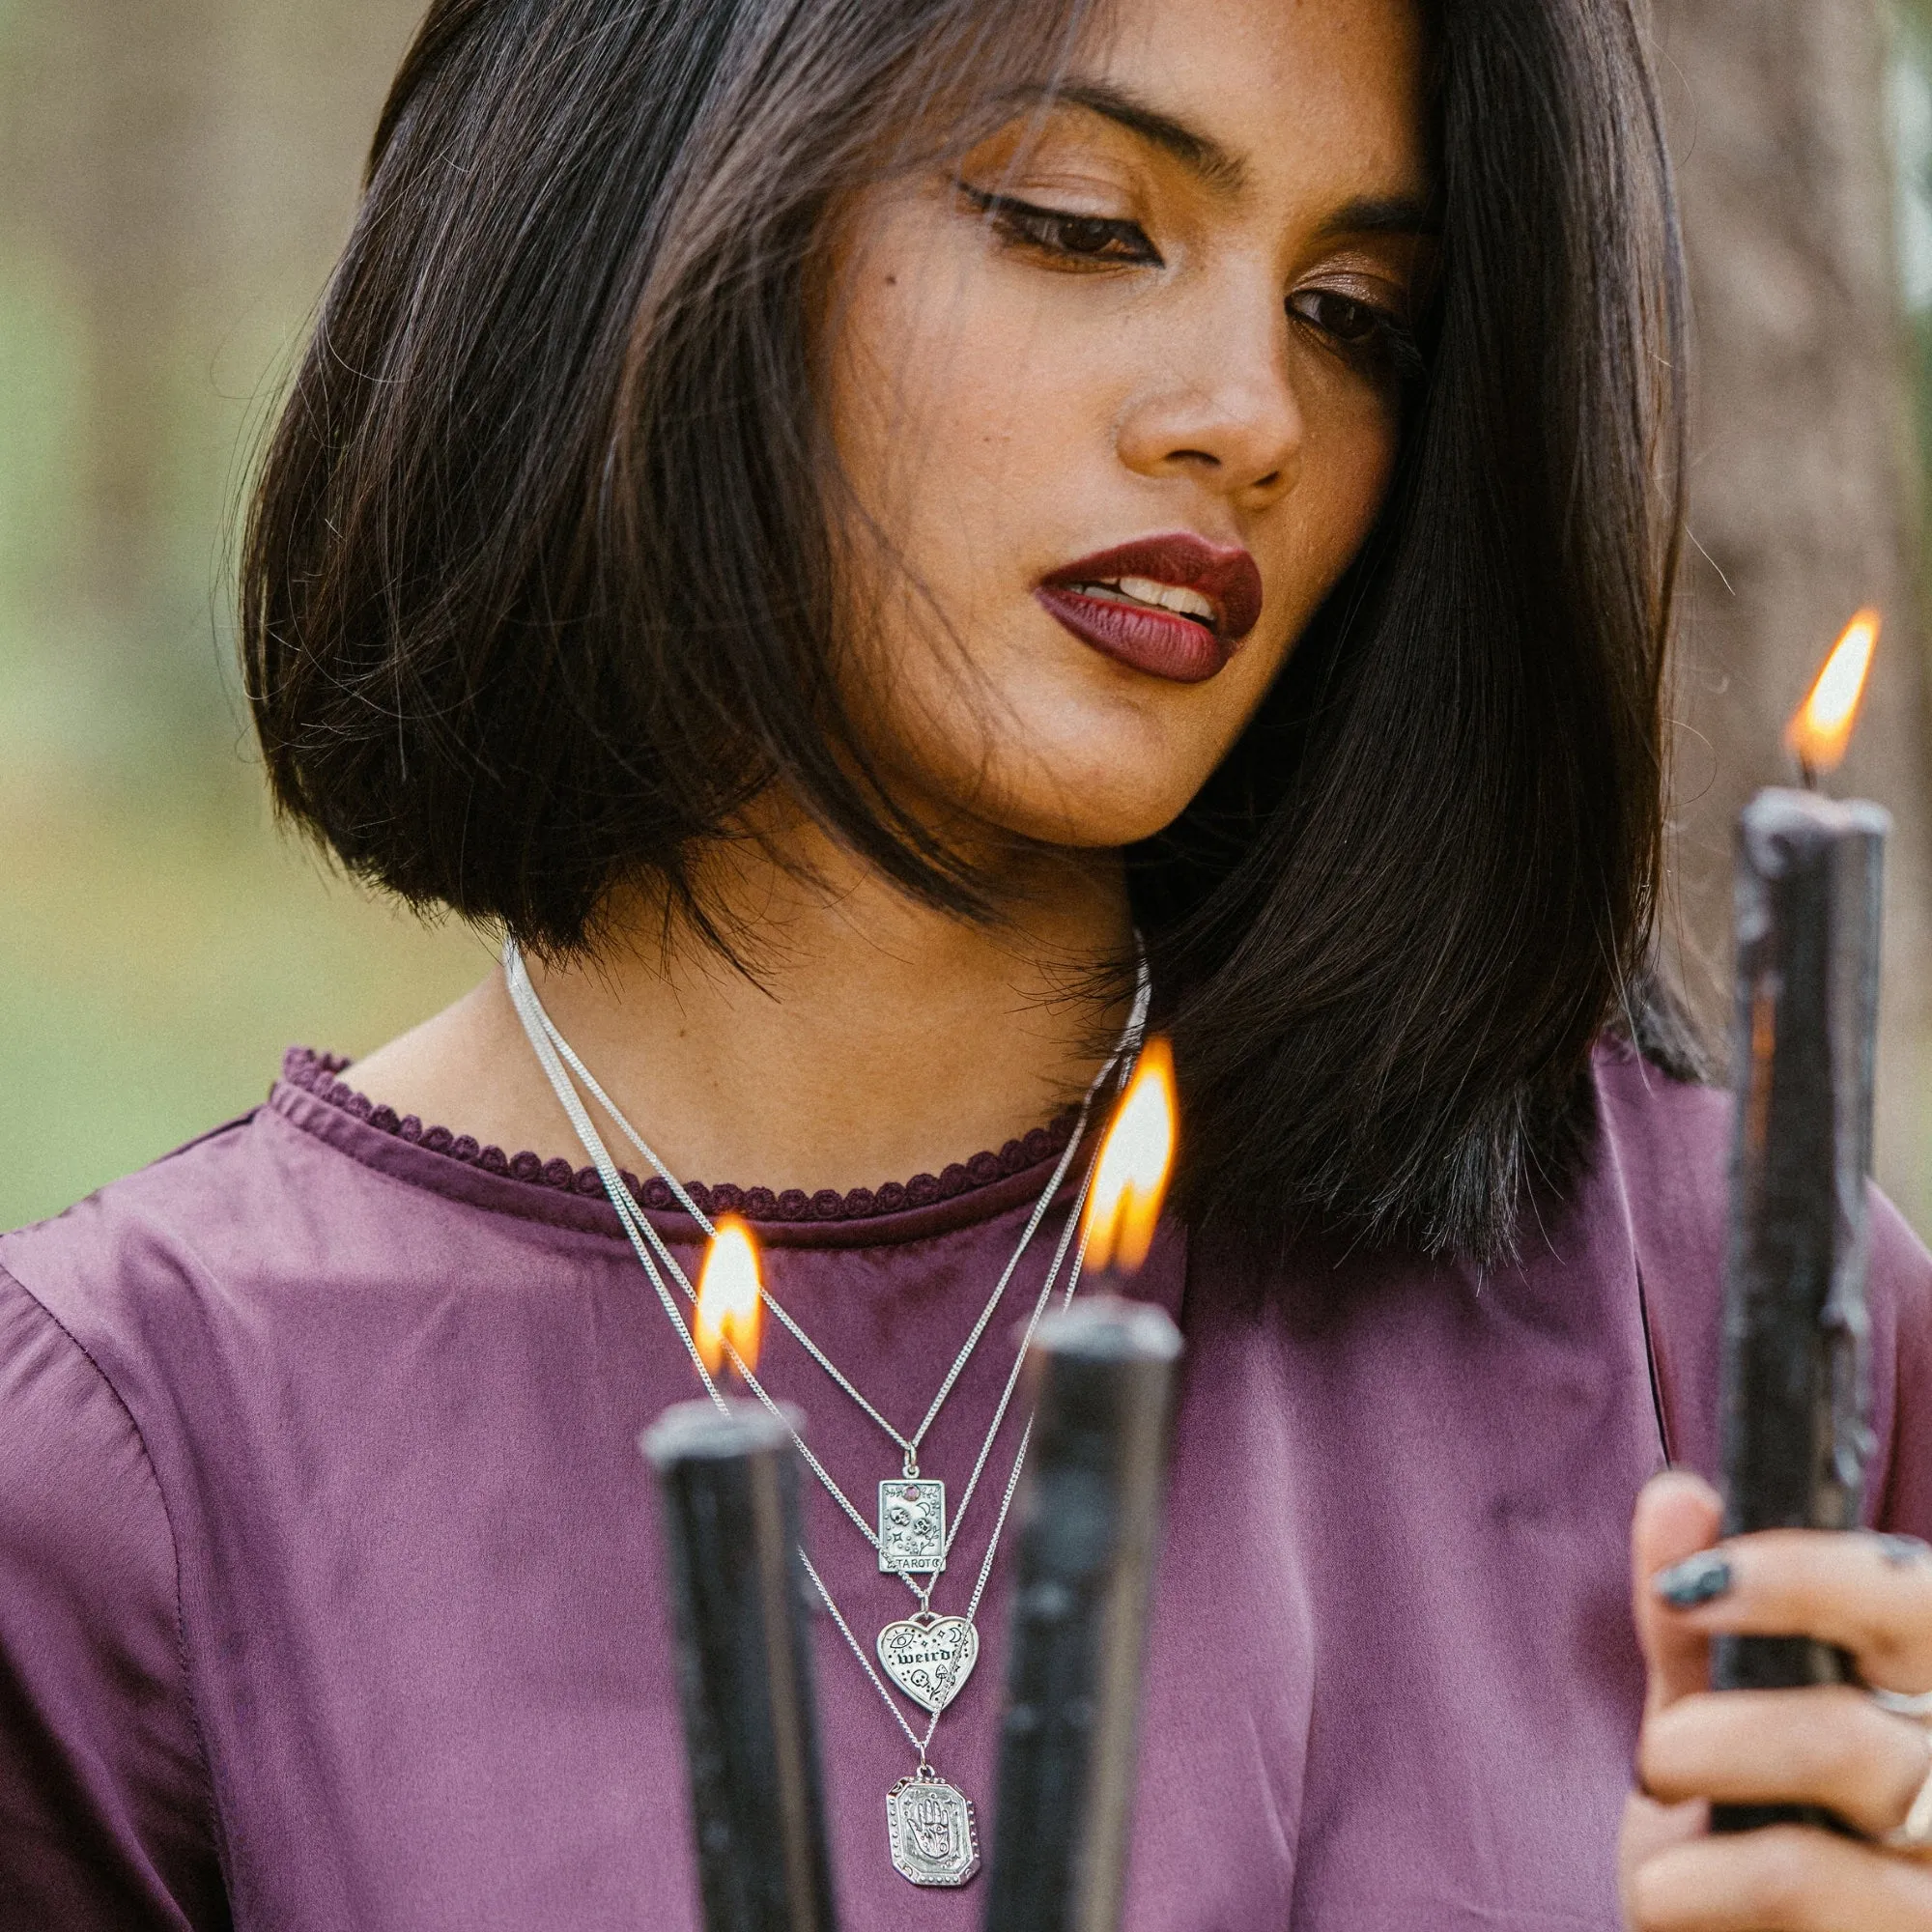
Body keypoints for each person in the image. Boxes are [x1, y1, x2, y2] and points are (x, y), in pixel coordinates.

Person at [4, 0, 1930, 1923]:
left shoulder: (1709, 1302)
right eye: (1079, 220)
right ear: (649, 188)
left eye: (1357, 318)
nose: (1246, 414)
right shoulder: (128, 1460)